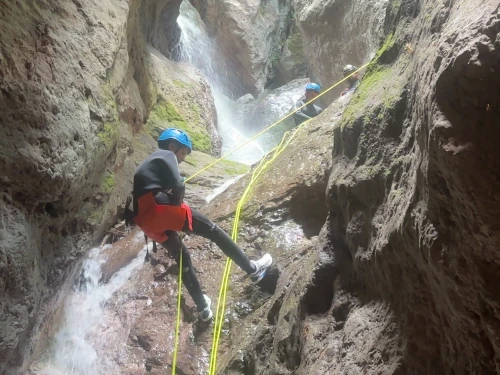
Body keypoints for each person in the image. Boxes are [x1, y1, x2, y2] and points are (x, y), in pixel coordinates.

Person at [132, 128, 273, 322]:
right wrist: (176, 208)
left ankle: (203, 308)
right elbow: (179, 184)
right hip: (160, 209)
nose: (182, 158)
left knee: (182, 256)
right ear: (172, 146)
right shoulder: (166, 154)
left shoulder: (150, 166)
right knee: (213, 231)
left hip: (146, 223)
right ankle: (253, 269)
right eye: (182, 153)